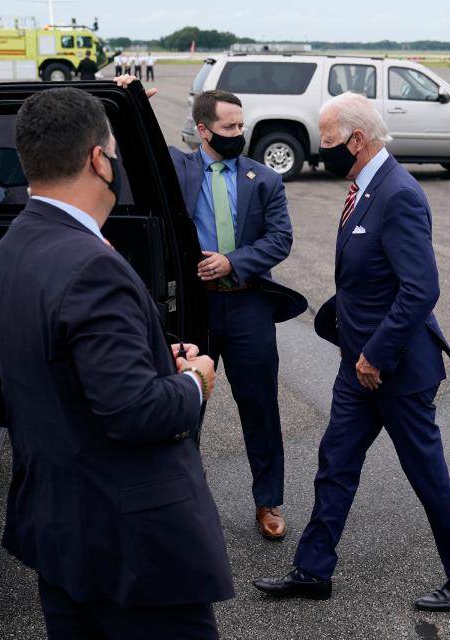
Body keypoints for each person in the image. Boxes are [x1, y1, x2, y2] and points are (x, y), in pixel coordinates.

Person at [0, 87, 234, 639]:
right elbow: (136, 412)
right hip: (132, 552)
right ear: (99, 159)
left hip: (61, 533)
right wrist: (195, 380)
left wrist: (148, 356)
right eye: (115, 151)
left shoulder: (14, 246)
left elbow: (59, 364)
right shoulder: (91, 265)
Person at [252, 92, 450, 612]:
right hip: (356, 367)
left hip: (396, 369)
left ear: (357, 141)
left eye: (329, 141)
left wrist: (376, 354)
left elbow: (420, 289)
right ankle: (313, 570)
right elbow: (369, 276)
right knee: (335, 464)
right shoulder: (364, 187)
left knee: (428, 477)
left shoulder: (398, 193)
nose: (322, 150)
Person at [115, 79, 306, 540]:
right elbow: (127, 162)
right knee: (185, 410)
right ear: (203, 130)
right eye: (229, 125)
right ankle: (182, 502)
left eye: (241, 124)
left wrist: (233, 262)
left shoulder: (263, 179)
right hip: (193, 313)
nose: (238, 132)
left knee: (260, 408)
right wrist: (127, 107)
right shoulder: (178, 168)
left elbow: (280, 239)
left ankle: (268, 501)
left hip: (247, 308)